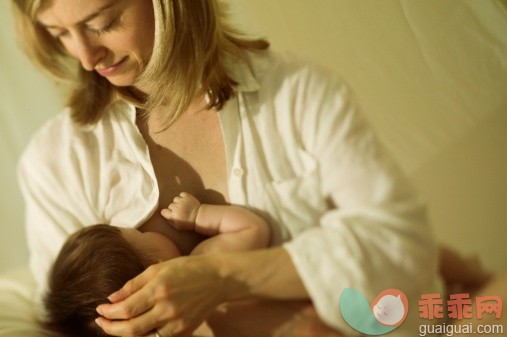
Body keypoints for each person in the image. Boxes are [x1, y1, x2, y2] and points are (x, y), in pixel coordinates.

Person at [11, 0, 463, 336]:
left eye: (103, 22)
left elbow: (405, 249)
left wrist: (222, 278)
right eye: (59, 34)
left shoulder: (299, 95)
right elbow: (66, 321)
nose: (86, 58)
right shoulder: (56, 162)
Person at [42, 192, 270, 337]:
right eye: (138, 235)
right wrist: (199, 214)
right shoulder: (203, 262)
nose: (144, 229)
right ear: (157, 268)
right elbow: (253, 229)